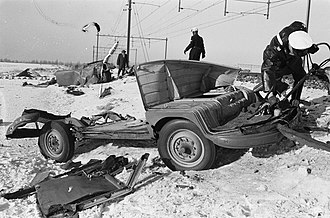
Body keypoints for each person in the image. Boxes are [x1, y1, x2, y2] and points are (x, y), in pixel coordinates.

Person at [259, 21, 319, 107]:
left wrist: (309, 48)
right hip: (278, 62)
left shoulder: (299, 31)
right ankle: (273, 96)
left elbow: (301, 40)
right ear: (291, 46)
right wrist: (271, 95)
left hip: (292, 60)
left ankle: (295, 99)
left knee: (301, 75)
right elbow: (267, 70)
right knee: (275, 80)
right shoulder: (273, 52)